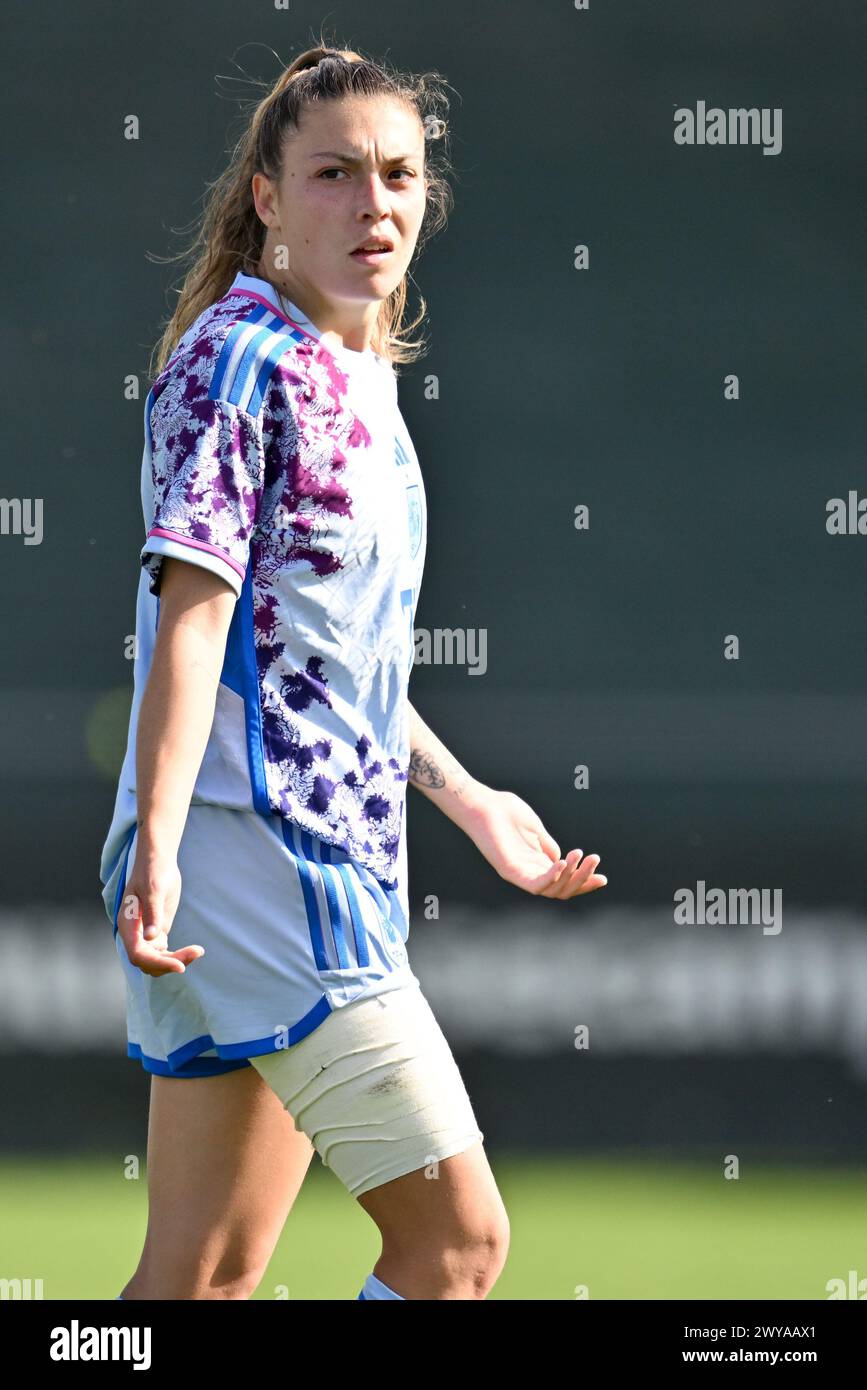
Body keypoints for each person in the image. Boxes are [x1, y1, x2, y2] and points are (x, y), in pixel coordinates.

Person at [99, 40, 607, 1303]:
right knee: (460, 1245)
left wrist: (468, 798)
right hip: (263, 860)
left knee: (203, 1276)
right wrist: (163, 842)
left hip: (283, 858)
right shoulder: (240, 359)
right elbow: (196, 622)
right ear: (267, 197)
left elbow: (326, 659)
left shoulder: (356, 375)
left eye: (396, 174)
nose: (371, 203)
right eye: (332, 174)